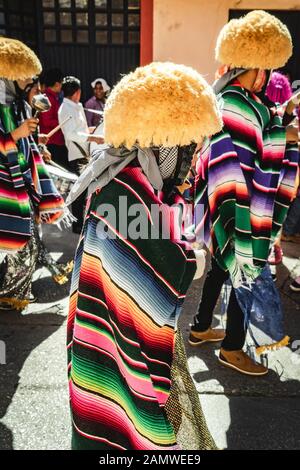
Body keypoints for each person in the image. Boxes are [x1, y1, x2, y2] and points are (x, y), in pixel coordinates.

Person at [66, 62, 222, 450]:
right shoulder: (129, 190)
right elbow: (166, 268)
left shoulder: (118, 176)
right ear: (164, 144)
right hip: (119, 339)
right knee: (129, 422)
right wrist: (197, 258)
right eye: (186, 150)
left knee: (110, 419)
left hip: (105, 332)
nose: (188, 166)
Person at [190, 10, 298, 375]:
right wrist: (288, 136)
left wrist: (280, 123)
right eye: (261, 69)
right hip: (243, 202)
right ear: (245, 68)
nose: (264, 77)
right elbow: (258, 147)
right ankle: (232, 348)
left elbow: (253, 141)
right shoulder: (240, 102)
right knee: (245, 270)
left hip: (225, 200)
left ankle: (201, 327)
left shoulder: (227, 98)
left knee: (221, 266)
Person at [0, 38, 65, 310]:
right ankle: (8, 293)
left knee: (26, 243)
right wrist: (15, 135)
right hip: (5, 186)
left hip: (22, 184)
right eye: (26, 77)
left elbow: (23, 144)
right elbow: (10, 140)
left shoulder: (20, 107)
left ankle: (13, 292)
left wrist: (37, 150)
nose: (31, 82)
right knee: (17, 244)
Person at [58, 76, 104, 234]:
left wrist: (90, 131)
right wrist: (92, 137)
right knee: (79, 190)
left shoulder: (75, 106)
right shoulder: (65, 109)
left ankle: (81, 221)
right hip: (76, 153)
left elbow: (79, 130)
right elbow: (71, 134)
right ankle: (76, 224)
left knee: (84, 189)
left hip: (83, 151)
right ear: (77, 92)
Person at [39, 68, 69, 170]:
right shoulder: (45, 98)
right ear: (57, 84)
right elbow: (46, 121)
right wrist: (62, 122)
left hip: (55, 142)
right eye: (61, 83)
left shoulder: (53, 97)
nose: (61, 86)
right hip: (51, 143)